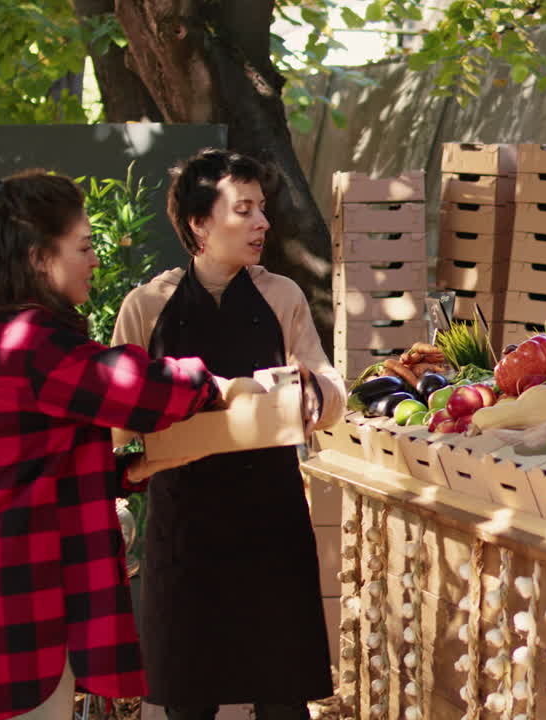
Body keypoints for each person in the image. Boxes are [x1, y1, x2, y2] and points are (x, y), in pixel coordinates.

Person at [0, 170, 225, 720]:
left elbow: (40, 469)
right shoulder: (31, 345)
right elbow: (138, 387)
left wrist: (137, 464)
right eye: (83, 247)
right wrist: (219, 386)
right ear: (40, 258)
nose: (95, 261)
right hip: (11, 601)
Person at [111, 149, 345, 720]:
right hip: (184, 525)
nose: (263, 222)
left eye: (262, 208)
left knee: (282, 697)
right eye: (244, 209)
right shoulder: (146, 307)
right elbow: (118, 424)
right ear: (198, 223)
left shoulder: (282, 296)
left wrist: (312, 394)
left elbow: (330, 387)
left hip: (270, 517)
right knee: (189, 702)